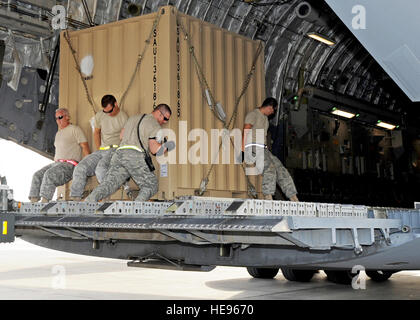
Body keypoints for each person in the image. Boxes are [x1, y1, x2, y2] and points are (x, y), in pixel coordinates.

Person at [85, 103, 175, 202]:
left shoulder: (133, 118)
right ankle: (135, 210)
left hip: (119, 154)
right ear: (159, 113)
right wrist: (167, 147)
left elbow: (121, 136)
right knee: (151, 185)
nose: (164, 121)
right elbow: (154, 149)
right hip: (134, 156)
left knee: (108, 185)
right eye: (165, 118)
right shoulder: (155, 125)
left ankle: (87, 203)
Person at [69, 95, 128, 200]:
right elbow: (96, 133)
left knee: (100, 169)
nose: (108, 114)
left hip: (116, 150)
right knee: (81, 167)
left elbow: (127, 139)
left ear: (116, 104)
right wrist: (99, 148)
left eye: (110, 111)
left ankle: (106, 197)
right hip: (102, 150)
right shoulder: (100, 115)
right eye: (106, 111)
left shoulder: (124, 117)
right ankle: (75, 198)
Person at [242, 97, 299, 202]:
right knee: (270, 168)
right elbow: (246, 130)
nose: (272, 112)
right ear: (268, 106)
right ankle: (268, 196)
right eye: (272, 110)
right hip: (253, 147)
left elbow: (263, 136)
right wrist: (243, 150)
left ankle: (293, 196)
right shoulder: (253, 114)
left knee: (281, 169)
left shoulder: (265, 119)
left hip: (263, 149)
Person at [29, 108, 90, 203]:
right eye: (56, 118)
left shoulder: (75, 129)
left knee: (49, 175)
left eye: (60, 117)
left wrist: (87, 167)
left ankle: (44, 202)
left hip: (69, 165)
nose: (58, 120)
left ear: (67, 117)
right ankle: (33, 202)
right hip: (56, 164)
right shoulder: (58, 134)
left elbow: (85, 146)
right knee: (37, 175)